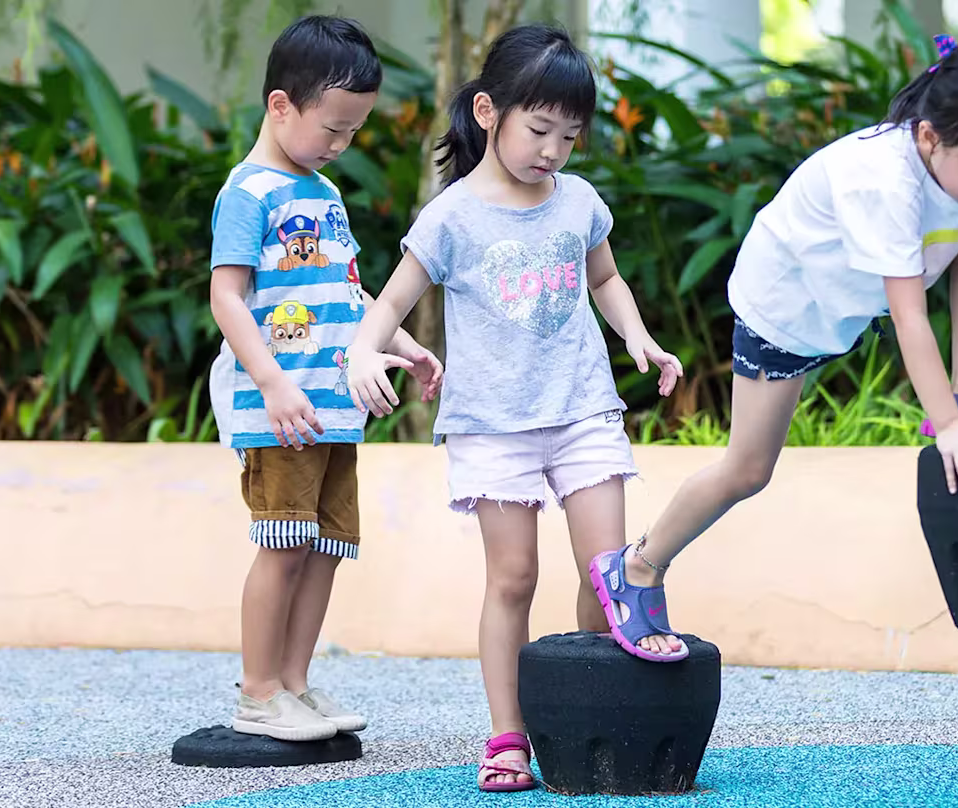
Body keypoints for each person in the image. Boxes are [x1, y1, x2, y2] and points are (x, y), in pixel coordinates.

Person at [586, 34, 958, 664]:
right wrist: (951, 429)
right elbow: (910, 319)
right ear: (930, 137)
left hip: (849, 305)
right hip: (787, 314)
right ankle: (636, 566)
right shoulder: (883, 183)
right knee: (747, 470)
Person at [341, 23, 684, 792]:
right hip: (494, 424)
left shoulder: (578, 201)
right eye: (539, 130)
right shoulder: (452, 217)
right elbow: (392, 300)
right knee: (513, 578)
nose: (554, 151)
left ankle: (591, 707)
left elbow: (606, 281)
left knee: (608, 572)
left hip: (582, 409)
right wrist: (366, 351)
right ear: (490, 112)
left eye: (570, 135)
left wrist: (639, 338)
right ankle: (509, 734)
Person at [207, 14, 444, 743]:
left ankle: (296, 685)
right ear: (281, 105)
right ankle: (257, 691)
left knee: (324, 547)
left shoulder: (324, 194)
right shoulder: (250, 194)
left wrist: (403, 346)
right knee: (282, 544)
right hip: (282, 407)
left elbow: (350, 293)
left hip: (336, 406)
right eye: (332, 129)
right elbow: (224, 296)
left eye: (352, 133)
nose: (341, 146)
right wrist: (274, 383)